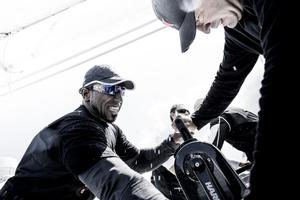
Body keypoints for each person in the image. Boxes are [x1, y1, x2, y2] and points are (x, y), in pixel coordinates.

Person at [151, 0, 288, 199]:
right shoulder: (238, 31)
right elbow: (228, 78)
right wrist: (197, 120)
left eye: (197, 18)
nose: (205, 30)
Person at [0, 64, 184, 200]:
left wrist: (173, 141)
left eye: (121, 91)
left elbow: (138, 161)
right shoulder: (77, 128)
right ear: (86, 93)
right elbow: (120, 185)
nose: (118, 97)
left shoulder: (111, 131)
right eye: (110, 89)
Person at [151, 104, 191, 200]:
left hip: (180, 179)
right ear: (173, 114)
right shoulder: (164, 133)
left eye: (188, 112)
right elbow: (168, 163)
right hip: (166, 178)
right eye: (182, 110)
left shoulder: (189, 135)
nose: (186, 113)